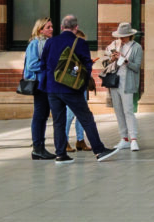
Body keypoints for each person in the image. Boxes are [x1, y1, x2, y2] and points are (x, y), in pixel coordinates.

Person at [41, 15, 114, 162]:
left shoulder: (50, 42)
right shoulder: (80, 43)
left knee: (58, 122)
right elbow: (87, 66)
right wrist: (82, 85)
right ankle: (99, 150)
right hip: (71, 89)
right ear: (76, 27)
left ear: (61, 27)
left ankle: (60, 154)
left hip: (52, 88)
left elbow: (43, 63)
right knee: (86, 118)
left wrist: (47, 84)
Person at [103, 23, 145, 151]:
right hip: (114, 82)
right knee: (118, 110)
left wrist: (125, 60)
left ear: (130, 35)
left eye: (124, 36)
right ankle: (124, 138)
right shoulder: (114, 44)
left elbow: (136, 67)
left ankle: (134, 139)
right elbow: (104, 60)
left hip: (128, 82)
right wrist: (111, 58)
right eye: (120, 36)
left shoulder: (136, 47)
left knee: (128, 111)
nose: (121, 38)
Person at [22, 18, 56, 160]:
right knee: (39, 116)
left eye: (51, 26)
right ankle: (37, 148)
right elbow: (31, 65)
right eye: (48, 27)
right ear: (40, 29)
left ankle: (40, 147)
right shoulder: (35, 43)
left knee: (43, 116)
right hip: (40, 84)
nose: (51, 29)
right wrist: (50, 66)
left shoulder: (47, 43)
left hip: (47, 84)